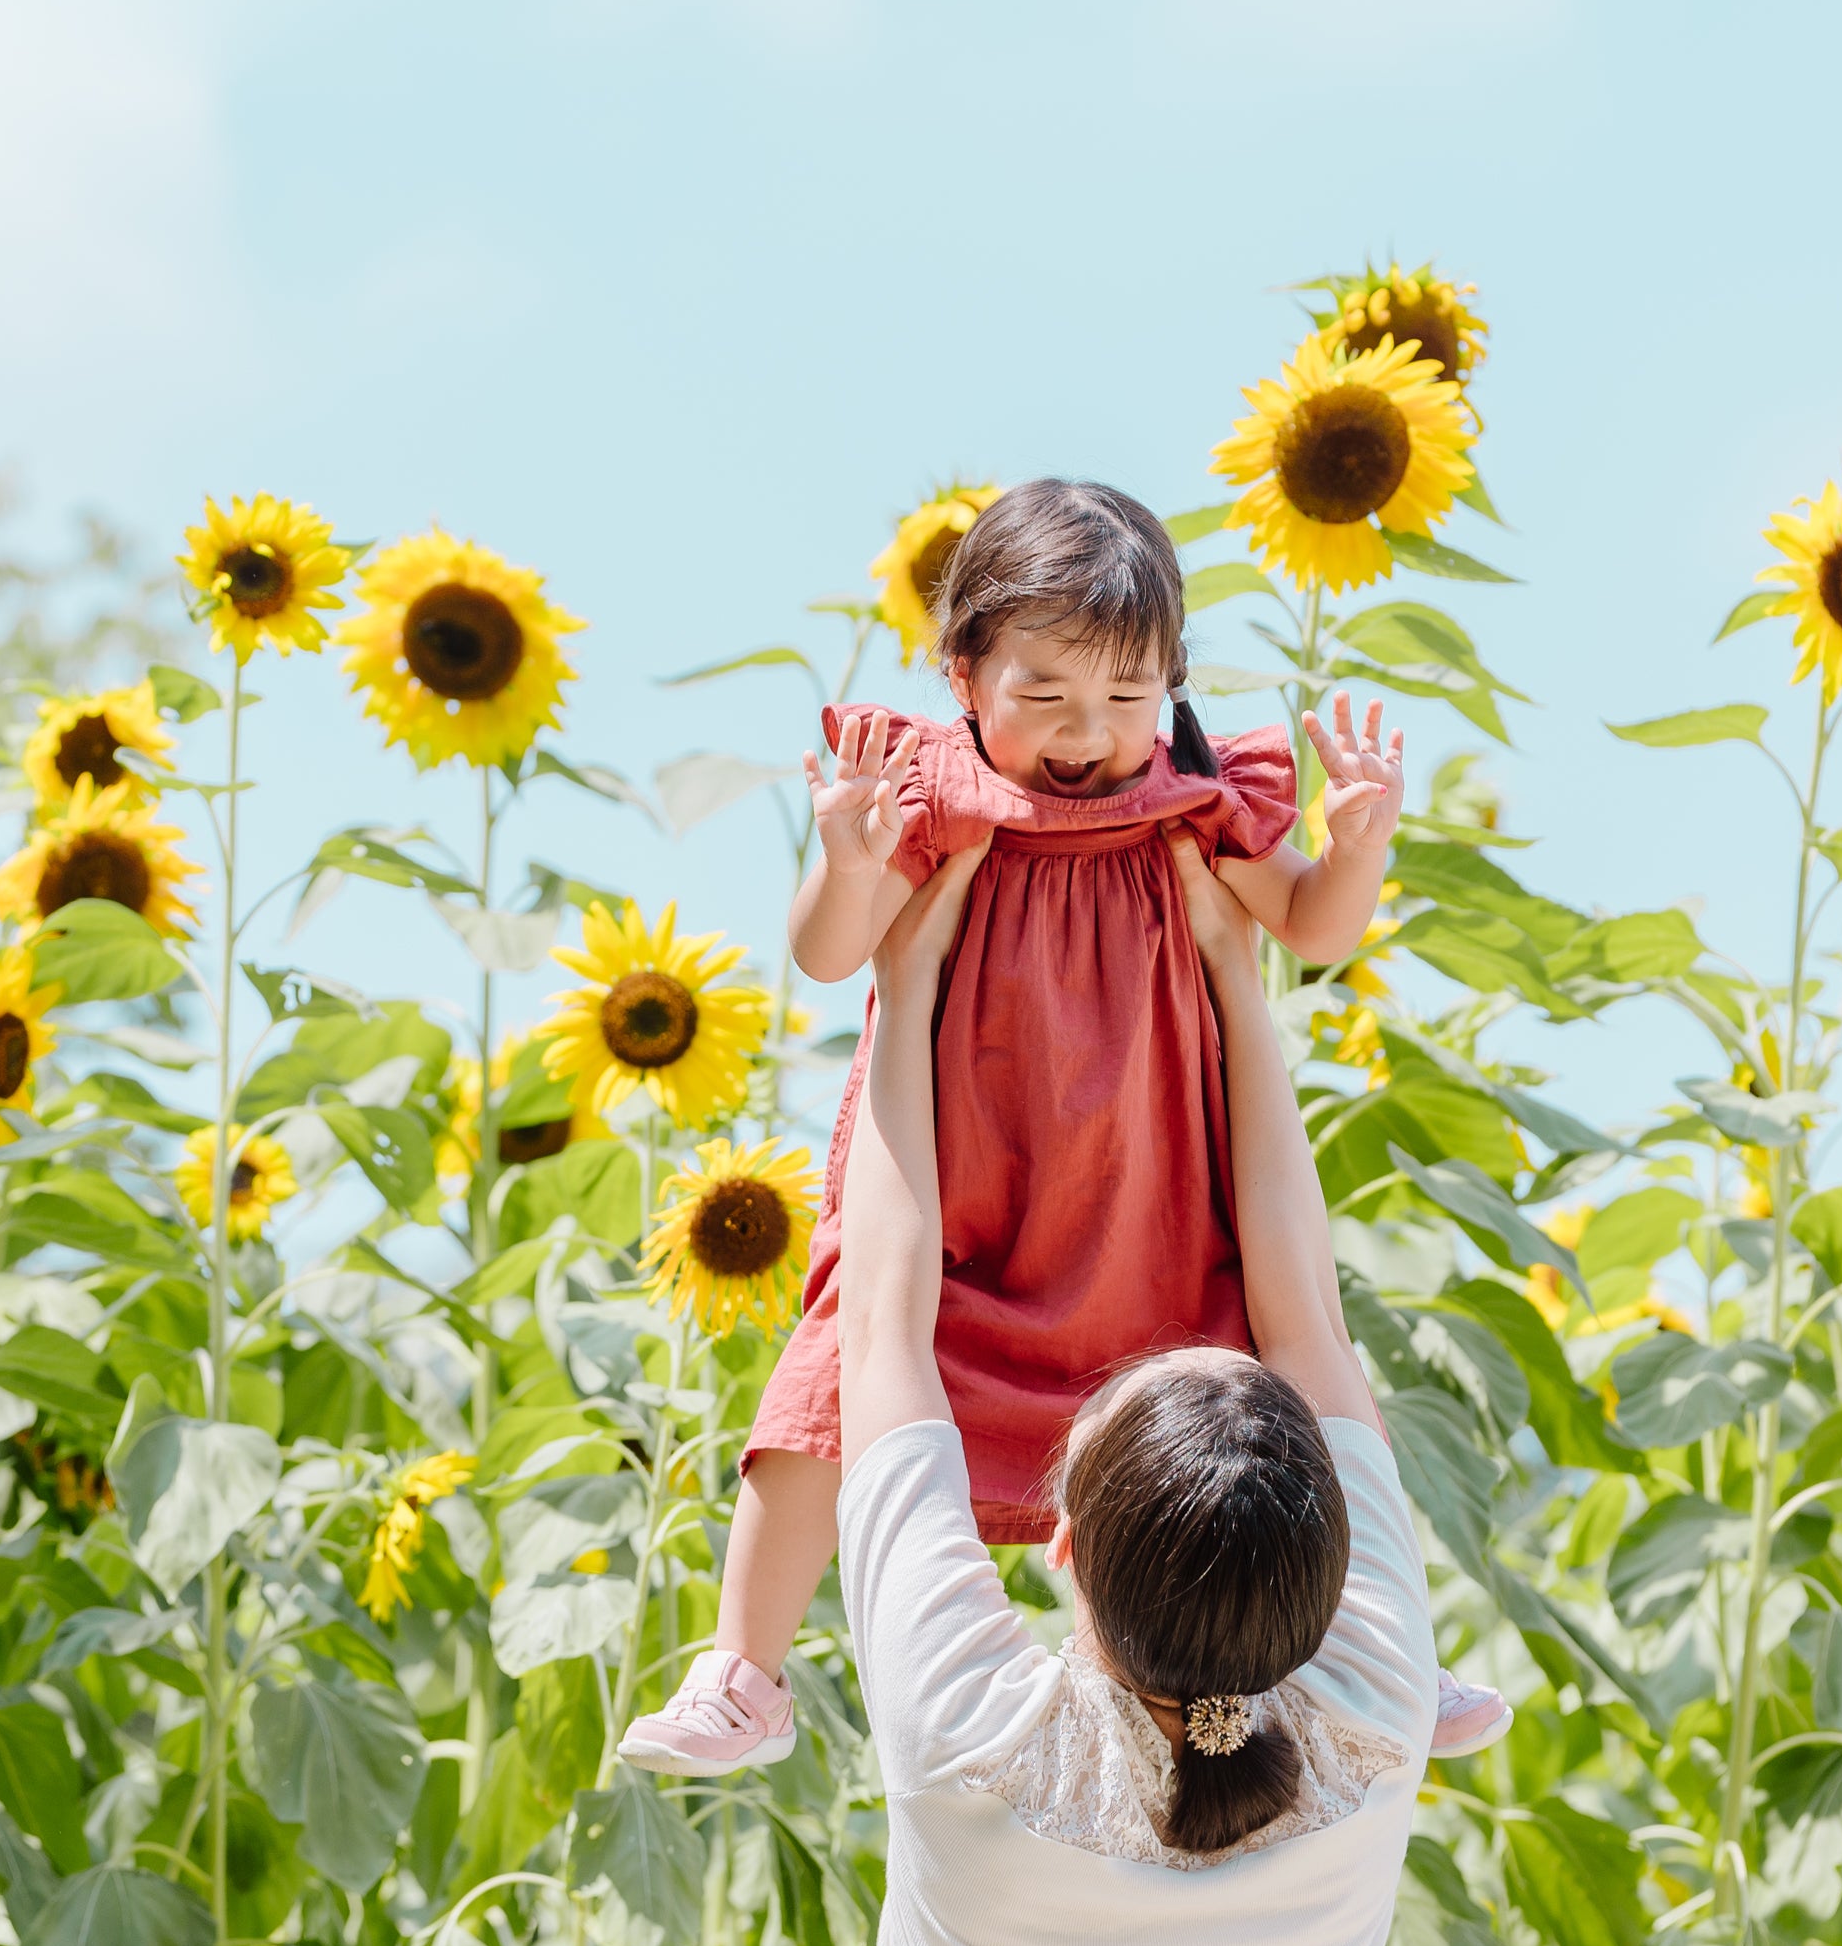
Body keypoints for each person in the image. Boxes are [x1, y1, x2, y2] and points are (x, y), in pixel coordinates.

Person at [619, 478, 1505, 1773]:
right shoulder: (925, 789)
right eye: (1045, 696)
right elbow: (825, 955)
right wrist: (852, 861)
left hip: (1151, 1207)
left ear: (1175, 685)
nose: (1088, 733)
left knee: (1265, 1426)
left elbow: (1309, 923)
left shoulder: (1196, 790)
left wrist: (1357, 845)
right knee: (823, 1394)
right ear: (962, 674)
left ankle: (1381, 1646)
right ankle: (740, 1669)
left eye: (1126, 697)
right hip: (969, 1209)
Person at [832, 828, 1434, 1946]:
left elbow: (877, 1320)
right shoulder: (1377, 1723)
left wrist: (905, 998)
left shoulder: (975, 1748)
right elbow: (1304, 1308)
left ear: (1056, 1540)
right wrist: (1234, 982)